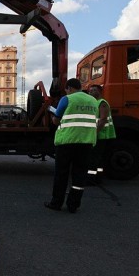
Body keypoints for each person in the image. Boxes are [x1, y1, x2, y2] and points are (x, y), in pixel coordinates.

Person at [44, 78, 98, 213]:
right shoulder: (93, 101)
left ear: (69, 88)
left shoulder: (67, 99)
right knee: (79, 175)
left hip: (67, 142)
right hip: (86, 142)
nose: (66, 92)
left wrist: (53, 118)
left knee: (61, 174)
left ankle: (56, 203)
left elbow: (56, 120)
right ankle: (73, 205)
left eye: (67, 90)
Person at [87, 84, 116, 184]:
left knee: (93, 158)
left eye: (93, 90)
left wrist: (94, 133)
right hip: (100, 134)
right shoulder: (96, 103)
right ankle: (98, 177)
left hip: (101, 135)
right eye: (90, 90)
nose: (90, 92)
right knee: (98, 159)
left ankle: (91, 179)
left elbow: (103, 119)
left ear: (99, 92)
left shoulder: (102, 103)